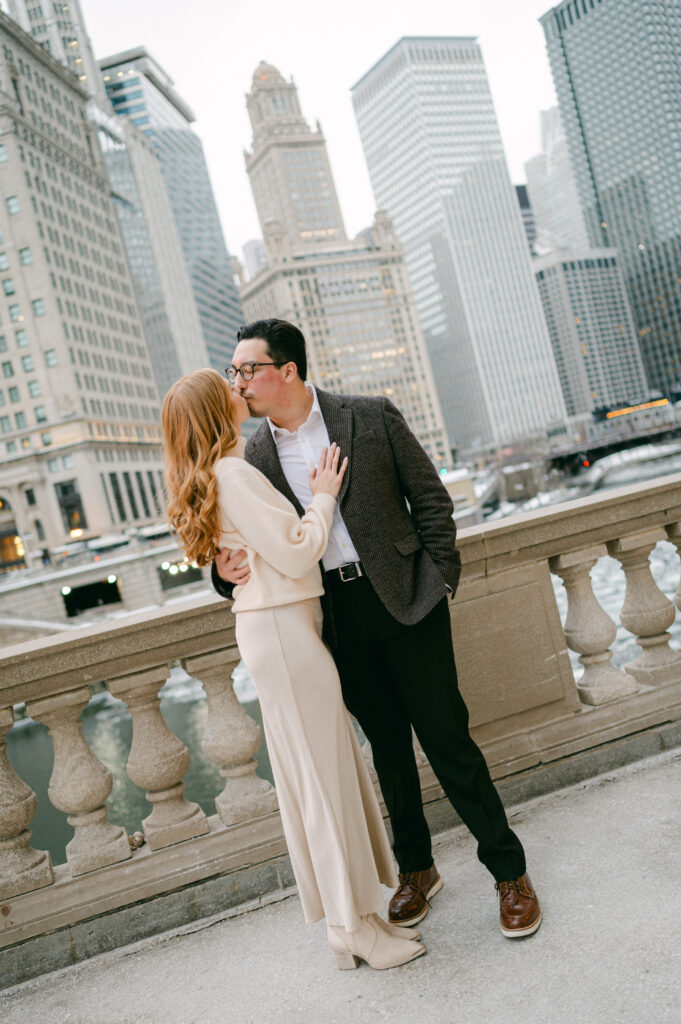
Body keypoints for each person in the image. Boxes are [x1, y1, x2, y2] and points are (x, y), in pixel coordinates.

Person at [212, 319, 542, 940]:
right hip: (333, 619)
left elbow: (431, 499)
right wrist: (221, 574)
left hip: (409, 600)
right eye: (234, 372)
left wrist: (441, 577)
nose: (239, 381)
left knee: (448, 739)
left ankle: (509, 871)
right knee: (387, 749)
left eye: (248, 369)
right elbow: (238, 538)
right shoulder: (251, 455)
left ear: (287, 370)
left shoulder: (370, 415)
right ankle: (417, 870)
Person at [162, 368, 426, 971]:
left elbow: (254, 550)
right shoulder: (232, 472)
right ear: (212, 410)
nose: (239, 387)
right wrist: (325, 495)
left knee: (320, 777)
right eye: (226, 385)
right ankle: (349, 926)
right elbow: (299, 549)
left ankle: (350, 921)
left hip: (281, 629)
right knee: (321, 782)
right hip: (284, 633)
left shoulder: (224, 472)